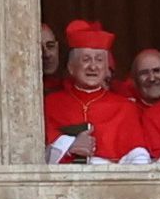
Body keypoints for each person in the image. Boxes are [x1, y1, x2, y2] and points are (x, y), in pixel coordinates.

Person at [43, 23, 142, 163]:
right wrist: (68, 146)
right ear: (71, 67)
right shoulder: (50, 104)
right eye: (86, 59)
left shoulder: (126, 108)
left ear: (106, 68)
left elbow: (137, 158)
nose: (93, 66)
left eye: (99, 60)